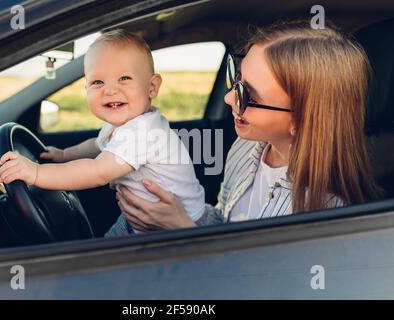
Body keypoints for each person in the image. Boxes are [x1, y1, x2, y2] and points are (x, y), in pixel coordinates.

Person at [113, 20, 385, 233]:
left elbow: (255, 282)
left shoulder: (324, 211)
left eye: (249, 96)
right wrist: (180, 208)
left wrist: (182, 229)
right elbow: (225, 221)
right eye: (237, 80)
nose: (229, 97)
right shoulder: (248, 147)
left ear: (301, 119)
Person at [0, 29, 205, 236]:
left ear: (151, 87)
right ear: (86, 88)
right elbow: (96, 145)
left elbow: (98, 172)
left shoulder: (143, 132)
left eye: (124, 78)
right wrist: (64, 155)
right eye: (98, 82)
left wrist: (36, 173)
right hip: (143, 221)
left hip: (175, 231)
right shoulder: (126, 124)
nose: (110, 90)